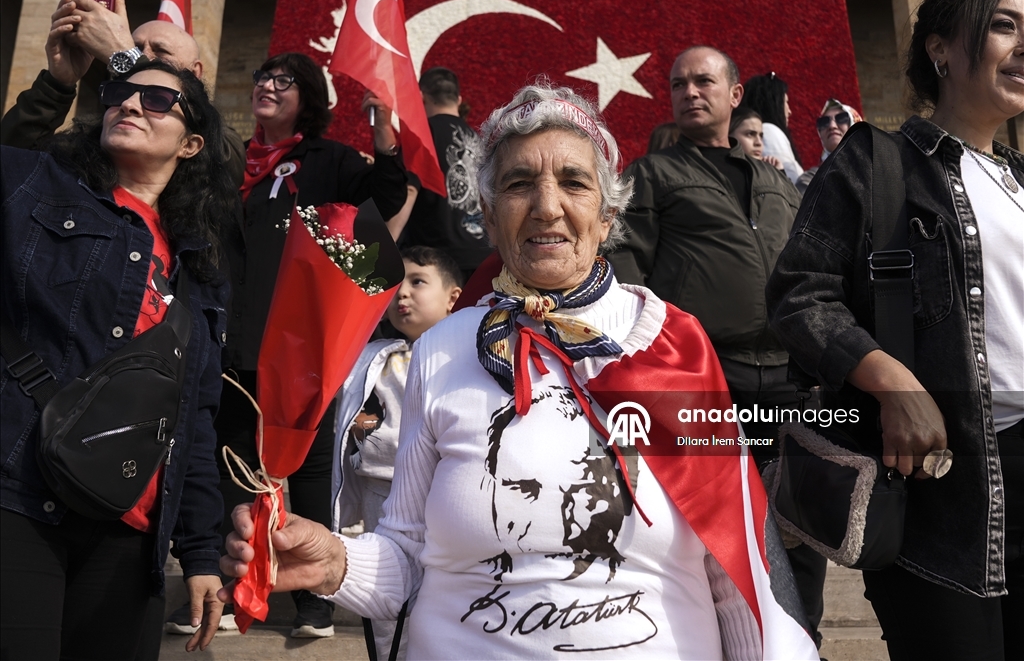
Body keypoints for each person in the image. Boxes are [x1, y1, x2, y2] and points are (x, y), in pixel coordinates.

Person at [220, 82, 819, 660]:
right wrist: (335, 562)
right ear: (488, 213)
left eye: (574, 182)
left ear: (608, 215)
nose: (547, 206)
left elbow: (734, 568)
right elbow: (407, 559)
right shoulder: (441, 348)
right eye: (519, 183)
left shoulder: (673, 343)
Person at [766, 0, 1024, 659]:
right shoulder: (877, 163)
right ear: (940, 48)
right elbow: (799, 294)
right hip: (942, 486)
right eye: (1004, 25)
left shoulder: (1020, 180)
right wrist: (891, 382)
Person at [1, 59, 233, 660]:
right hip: (20, 497)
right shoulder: (38, 186)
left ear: (190, 144)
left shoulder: (199, 271)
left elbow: (195, 417)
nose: (128, 104)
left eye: (155, 99)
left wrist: (200, 552)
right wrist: (56, 84)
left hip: (131, 529)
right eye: (119, 93)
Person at [606, 46, 828, 648]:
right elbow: (626, 268)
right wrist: (647, 360)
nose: (689, 92)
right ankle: (724, 642)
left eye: (703, 81)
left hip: (788, 377)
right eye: (678, 84)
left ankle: (800, 641)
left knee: (799, 519)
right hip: (706, 377)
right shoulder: (651, 175)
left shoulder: (774, 180)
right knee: (712, 521)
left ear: (735, 95)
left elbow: (809, 268)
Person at [204, 51, 408, 640]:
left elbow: (385, 200)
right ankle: (236, 591)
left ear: (309, 97)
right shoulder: (232, 163)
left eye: (283, 80)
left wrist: (383, 129)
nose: (267, 86)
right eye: (262, 76)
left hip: (303, 346)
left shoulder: (328, 160)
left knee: (311, 473)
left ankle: (315, 603)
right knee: (233, 465)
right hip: (234, 340)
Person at [332, 245, 462, 658]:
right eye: (395, 286)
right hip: (382, 491)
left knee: (442, 593)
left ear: (453, 298)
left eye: (418, 282)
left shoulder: (465, 358)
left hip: (443, 491)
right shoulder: (374, 358)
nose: (402, 293)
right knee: (389, 600)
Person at [0, 0, 245, 187]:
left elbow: (225, 163)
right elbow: (12, 159)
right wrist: (57, 84)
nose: (144, 56)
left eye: (160, 52)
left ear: (195, 72)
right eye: (136, 48)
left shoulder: (221, 140)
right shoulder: (104, 130)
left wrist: (127, 56)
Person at [398, 68, 490, 282]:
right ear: (458, 99)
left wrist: (386, 241)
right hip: (483, 255)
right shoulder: (479, 140)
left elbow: (408, 190)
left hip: (439, 262)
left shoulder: (422, 135)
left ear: (421, 97)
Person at [742, 73, 803, 183]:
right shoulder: (770, 131)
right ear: (773, 103)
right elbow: (793, 181)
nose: (789, 111)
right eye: (786, 102)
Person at [795, 98, 862, 194]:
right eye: (824, 121)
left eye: (841, 118)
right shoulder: (810, 180)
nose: (832, 126)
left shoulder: (875, 171)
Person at [729, 106, 784, 170]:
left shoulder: (769, 169)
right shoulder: (722, 172)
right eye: (750, 134)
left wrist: (777, 172)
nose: (759, 143)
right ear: (728, 135)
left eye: (761, 136)